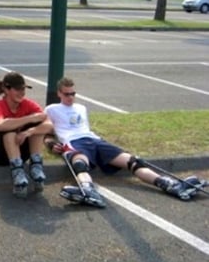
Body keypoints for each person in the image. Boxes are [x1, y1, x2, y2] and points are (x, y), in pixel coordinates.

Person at [44, 76, 202, 204]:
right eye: (67, 94)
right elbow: (45, 133)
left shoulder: (81, 108)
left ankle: (169, 184)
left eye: (73, 93)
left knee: (134, 161)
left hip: (94, 140)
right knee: (80, 164)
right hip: (73, 142)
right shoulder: (51, 109)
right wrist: (51, 144)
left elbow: (85, 128)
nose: (71, 97)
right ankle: (87, 190)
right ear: (59, 93)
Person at [0, 72, 53, 198]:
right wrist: (30, 118)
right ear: (6, 89)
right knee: (9, 130)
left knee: (37, 127)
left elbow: (49, 126)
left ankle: (36, 167)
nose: (22, 93)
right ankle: (17, 173)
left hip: (20, 150)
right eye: (17, 89)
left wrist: (30, 131)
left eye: (23, 89)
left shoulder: (29, 104)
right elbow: (0, 125)